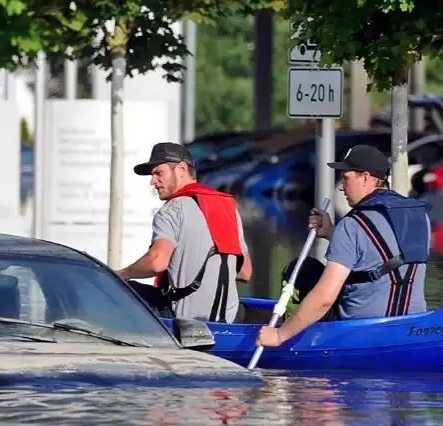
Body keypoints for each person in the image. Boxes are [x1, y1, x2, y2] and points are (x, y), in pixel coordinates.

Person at [257, 144, 431, 348]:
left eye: (346, 178)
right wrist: (332, 233)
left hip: (360, 334)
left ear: (365, 177)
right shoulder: (420, 217)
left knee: (301, 270)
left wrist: (278, 336)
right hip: (413, 328)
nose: (341, 187)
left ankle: (290, 333)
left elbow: (325, 298)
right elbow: (381, 254)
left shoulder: (352, 225)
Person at [115, 142, 252, 323]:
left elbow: (156, 263)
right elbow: (244, 272)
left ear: (181, 169)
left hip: (185, 321)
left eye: (158, 173)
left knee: (119, 288)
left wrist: (121, 274)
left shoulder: (172, 210)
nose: (152, 181)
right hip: (229, 319)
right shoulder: (228, 207)